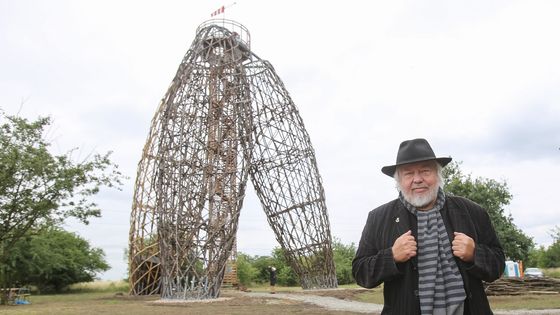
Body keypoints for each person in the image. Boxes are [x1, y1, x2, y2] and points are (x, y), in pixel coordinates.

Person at [352, 138, 505, 315]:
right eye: (408, 174)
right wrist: (391, 257)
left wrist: (475, 254)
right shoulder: (379, 218)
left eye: (425, 171)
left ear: (437, 175)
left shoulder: (472, 212)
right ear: (399, 180)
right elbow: (360, 273)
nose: (417, 179)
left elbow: (498, 265)